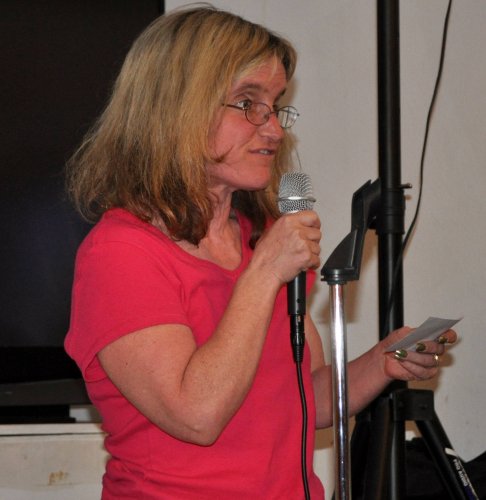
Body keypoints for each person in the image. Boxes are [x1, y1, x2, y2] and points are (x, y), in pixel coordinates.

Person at [64, 5, 457, 499]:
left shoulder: (260, 237)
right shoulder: (121, 253)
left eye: (275, 105)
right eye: (248, 103)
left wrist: (383, 361)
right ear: (178, 108)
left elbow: (306, 400)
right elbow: (197, 414)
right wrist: (265, 272)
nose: (274, 129)